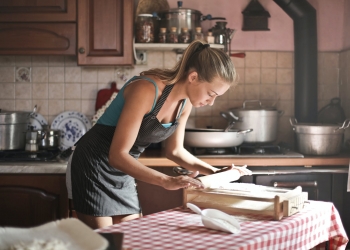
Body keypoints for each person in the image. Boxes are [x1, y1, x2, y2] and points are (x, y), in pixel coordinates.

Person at [66, 40, 251, 229]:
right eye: (210, 94)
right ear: (193, 77)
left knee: (131, 238)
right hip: (94, 164)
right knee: (105, 242)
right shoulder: (147, 89)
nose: (211, 102)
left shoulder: (185, 103)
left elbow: (176, 151)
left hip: (124, 168)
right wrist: (166, 181)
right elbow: (117, 155)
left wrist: (217, 173)